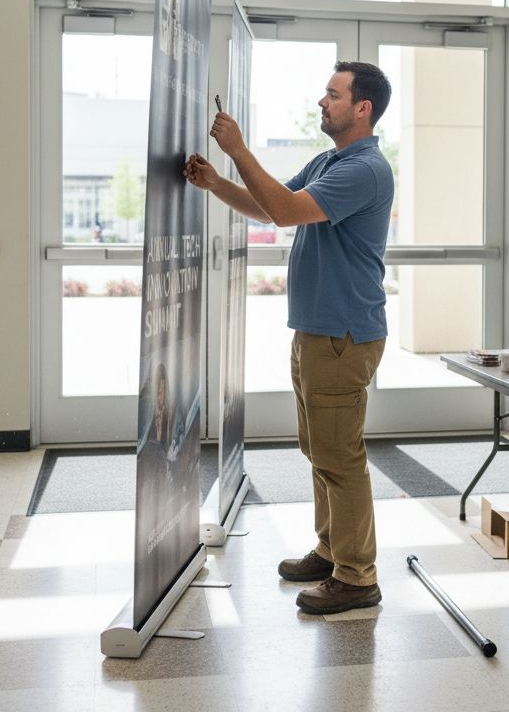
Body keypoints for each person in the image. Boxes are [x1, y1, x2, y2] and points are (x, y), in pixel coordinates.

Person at [183, 61, 394, 616]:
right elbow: (268, 206)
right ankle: (331, 550)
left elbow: (285, 209)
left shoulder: (366, 168)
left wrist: (238, 148)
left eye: (333, 94)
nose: (322, 102)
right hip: (318, 329)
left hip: (342, 334)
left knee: (339, 455)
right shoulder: (330, 160)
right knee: (318, 447)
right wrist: (216, 182)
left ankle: (356, 577)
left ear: (362, 108)